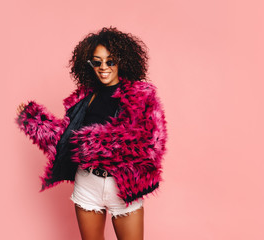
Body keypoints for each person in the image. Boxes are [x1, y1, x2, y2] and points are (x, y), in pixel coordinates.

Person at [15, 26, 167, 240]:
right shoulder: (83, 98)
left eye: (110, 61)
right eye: (97, 62)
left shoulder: (141, 97)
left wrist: (89, 145)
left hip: (123, 188)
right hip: (87, 184)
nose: (103, 67)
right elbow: (66, 143)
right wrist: (35, 121)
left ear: (122, 61)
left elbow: (151, 145)